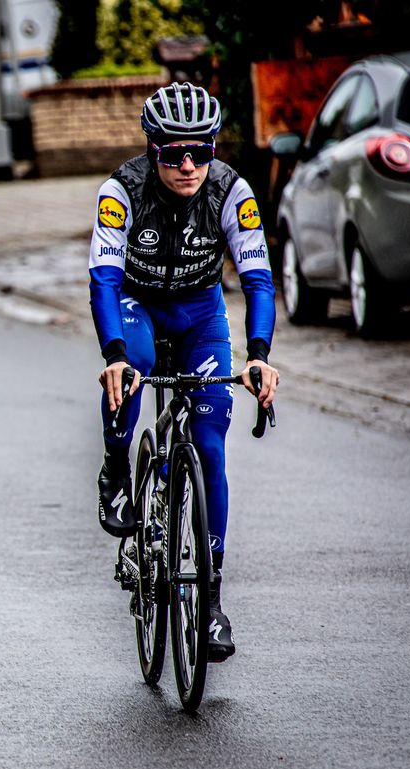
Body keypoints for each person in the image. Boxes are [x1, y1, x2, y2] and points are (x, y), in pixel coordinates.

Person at [88, 82, 279, 662]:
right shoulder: (121, 191)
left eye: (200, 150)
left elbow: (257, 280)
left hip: (199, 315)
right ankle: (117, 469)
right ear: (152, 151)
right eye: (173, 153)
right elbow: (103, 279)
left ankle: (213, 601)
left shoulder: (230, 191)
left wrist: (260, 354)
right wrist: (115, 355)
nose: (188, 165)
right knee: (137, 366)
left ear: (214, 148)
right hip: (138, 307)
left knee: (211, 447)